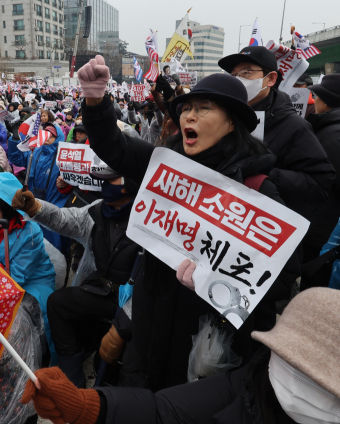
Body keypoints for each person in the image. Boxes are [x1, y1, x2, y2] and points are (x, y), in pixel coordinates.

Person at [77, 56, 299, 391]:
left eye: (204, 108)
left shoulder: (257, 191)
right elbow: (115, 145)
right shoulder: (165, 168)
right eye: (185, 108)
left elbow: (281, 276)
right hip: (148, 339)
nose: (189, 116)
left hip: (204, 359)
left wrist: (215, 279)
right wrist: (95, 99)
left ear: (232, 123)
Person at [22, 287, 340, 424]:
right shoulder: (248, 385)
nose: (297, 383)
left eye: (316, 377)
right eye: (287, 360)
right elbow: (163, 413)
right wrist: (87, 406)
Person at [12, 166, 141, 387]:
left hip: (138, 304)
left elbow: (154, 286)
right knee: (59, 303)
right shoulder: (99, 211)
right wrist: (35, 208)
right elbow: (66, 220)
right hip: (103, 291)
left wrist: (122, 327)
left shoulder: (152, 221)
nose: (104, 186)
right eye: (103, 181)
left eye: (111, 180)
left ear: (131, 184)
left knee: (118, 357)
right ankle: (71, 379)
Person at [218, 47, 336, 267]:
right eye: (234, 75)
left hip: (264, 238)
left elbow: (321, 182)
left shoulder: (294, 126)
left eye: (246, 73)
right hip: (225, 225)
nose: (238, 80)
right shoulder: (225, 117)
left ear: (270, 78)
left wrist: (266, 175)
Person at [0, 172, 56, 361]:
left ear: (7, 211)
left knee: (26, 314)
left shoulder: (30, 233)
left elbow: (17, 276)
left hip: (32, 281)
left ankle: (34, 358)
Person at [8, 123, 69, 252]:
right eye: (44, 133)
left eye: (50, 135)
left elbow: (72, 178)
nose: (46, 137)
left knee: (54, 245)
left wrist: (65, 183)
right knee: (34, 242)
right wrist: (14, 141)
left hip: (56, 203)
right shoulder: (36, 151)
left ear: (57, 137)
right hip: (34, 201)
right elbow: (16, 159)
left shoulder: (64, 155)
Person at [311, 75, 340, 288]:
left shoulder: (331, 135)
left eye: (317, 96)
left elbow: (326, 180)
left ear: (327, 101)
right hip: (329, 221)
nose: (314, 100)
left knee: (316, 276)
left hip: (325, 221)